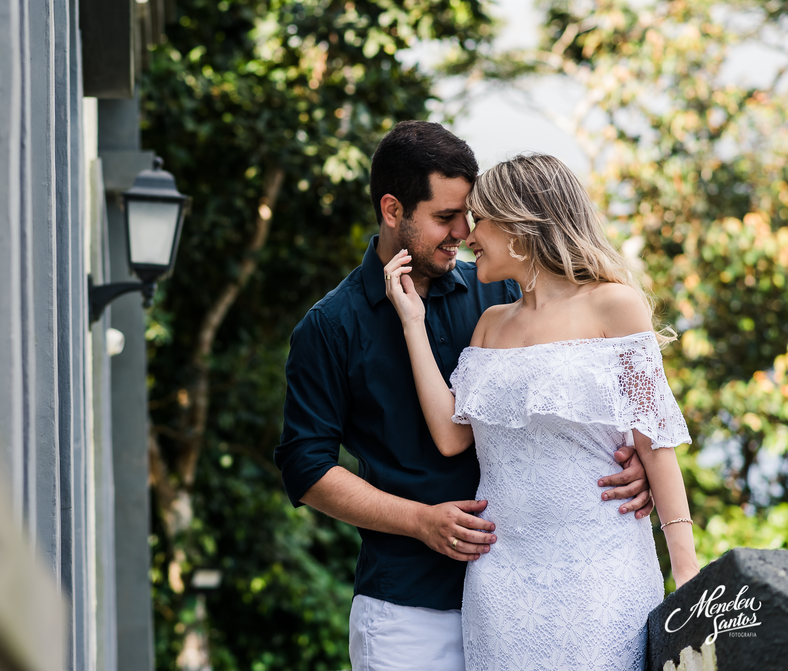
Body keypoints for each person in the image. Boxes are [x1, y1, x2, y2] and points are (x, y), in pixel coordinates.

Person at [273, 122, 653, 671]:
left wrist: (635, 457)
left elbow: (603, 384)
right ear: (392, 210)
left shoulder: (501, 290)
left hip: (531, 599)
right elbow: (305, 469)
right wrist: (420, 521)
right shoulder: (330, 327)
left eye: (469, 216)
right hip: (407, 608)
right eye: (444, 218)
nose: (463, 232)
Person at [382, 152, 698, 671]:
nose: (467, 233)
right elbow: (450, 436)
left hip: (603, 573)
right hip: (500, 584)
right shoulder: (489, 323)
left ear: (521, 226)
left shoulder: (616, 305)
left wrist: (686, 570)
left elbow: (654, 444)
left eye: (479, 219)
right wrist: (413, 323)